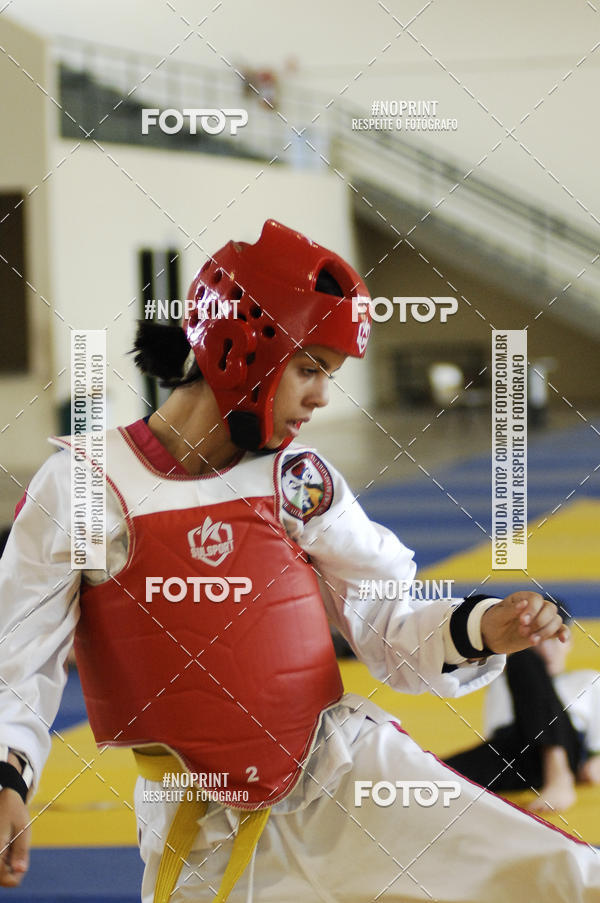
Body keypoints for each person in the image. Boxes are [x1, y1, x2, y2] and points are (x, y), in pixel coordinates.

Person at [0, 220, 598, 902]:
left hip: (347, 778)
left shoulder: (297, 480)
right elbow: (18, 654)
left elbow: (386, 618)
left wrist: (483, 626)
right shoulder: (85, 486)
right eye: (310, 368)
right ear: (241, 351)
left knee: (567, 879)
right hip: (200, 835)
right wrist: (5, 774)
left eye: (329, 376)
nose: (320, 396)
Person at [446, 607, 600, 813]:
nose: (547, 650)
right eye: (539, 641)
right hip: (515, 752)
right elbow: (497, 734)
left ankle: (558, 775)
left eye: (555, 640)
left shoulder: (587, 679)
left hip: (567, 747)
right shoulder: (506, 679)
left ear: (568, 642)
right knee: (435, 775)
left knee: (520, 657)